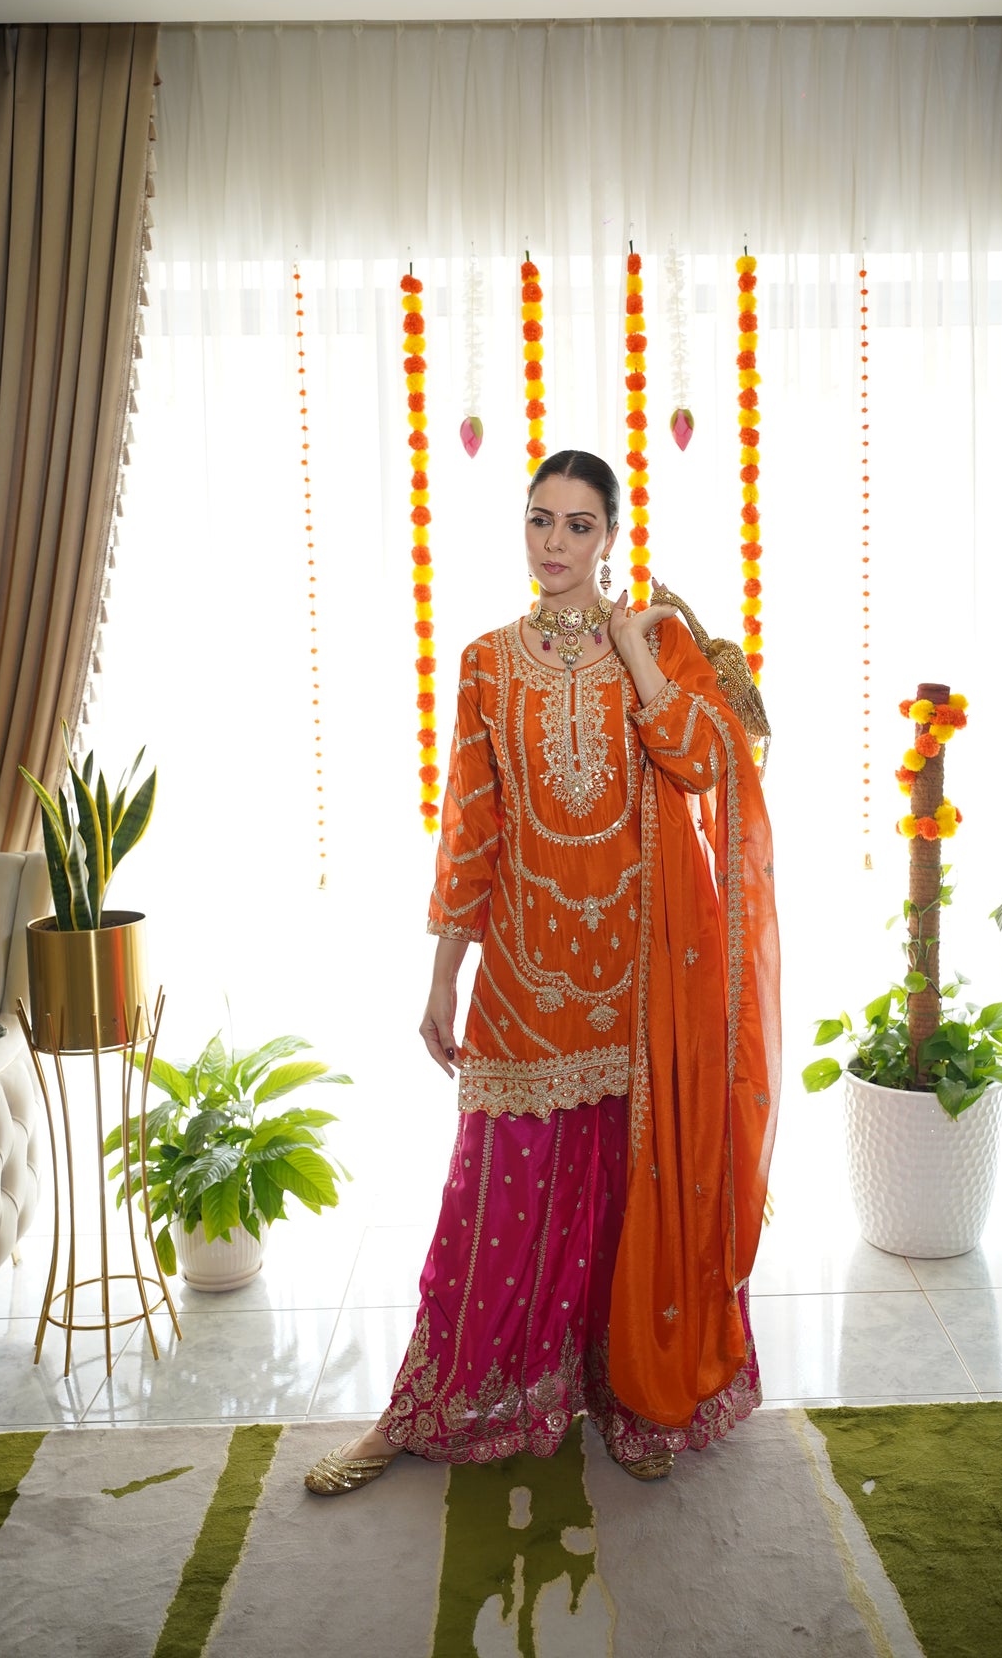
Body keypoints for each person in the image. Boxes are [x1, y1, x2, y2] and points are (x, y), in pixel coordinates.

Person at [305, 450, 780, 1493]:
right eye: (540, 520)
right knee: (492, 1196)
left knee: (634, 1191)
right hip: (526, 974)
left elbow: (706, 764)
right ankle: (430, 1403)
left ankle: (633, 1393)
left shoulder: (658, 643)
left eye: (577, 525)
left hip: (641, 981)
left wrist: (636, 651)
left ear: (610, 535)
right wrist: (443, 978)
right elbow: (470, 830)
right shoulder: (485, 662)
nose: (554, 543)